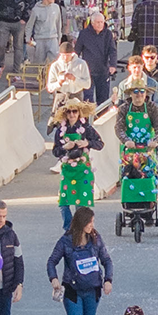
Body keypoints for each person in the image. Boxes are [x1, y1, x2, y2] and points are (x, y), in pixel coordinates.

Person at [48, 207, 115, 315]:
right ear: (81, 223)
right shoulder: (66, 241)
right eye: (89, 222)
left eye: (93, 222)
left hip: (93, 290)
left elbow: (107, 261)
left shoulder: (96, 239)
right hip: (73, 292)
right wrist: (54, 279)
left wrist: (108, 280)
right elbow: (52, 261)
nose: (92, 225)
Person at [52, 97, 104, 230]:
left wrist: (87, 143)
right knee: (63, 203)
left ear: (79, 112)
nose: (72, 115)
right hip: (67, 170)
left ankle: (81, 229)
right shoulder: (60, 131)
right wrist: (65, 148)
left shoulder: (86, 128)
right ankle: (69, 229)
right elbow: (55, 151)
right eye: (69, 112)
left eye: (74, 111)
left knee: (81, 203)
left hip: (83, 170)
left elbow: (100, 144)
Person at [75, 13, 120, 105]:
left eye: (102, 22)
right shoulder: (84, 34)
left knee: (103, 98)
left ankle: (101, 117)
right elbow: (77, 51)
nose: (100, 24)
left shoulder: (108, 34)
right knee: (88, 98)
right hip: (88, 71)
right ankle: (88, 118)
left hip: (103, 70)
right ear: (92, 23)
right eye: (98, 22)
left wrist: (112, 65)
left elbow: (112, 50)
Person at [28, 0, 64, 68]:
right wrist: (28, 38)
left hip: (53, 38)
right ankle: (40, 78)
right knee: (39, 62)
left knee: (55, 61)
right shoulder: (36, 10)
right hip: (40, 39)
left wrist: (59, 38)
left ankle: (53, 77)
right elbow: (30, 25)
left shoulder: (56, 7)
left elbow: (59, 23)